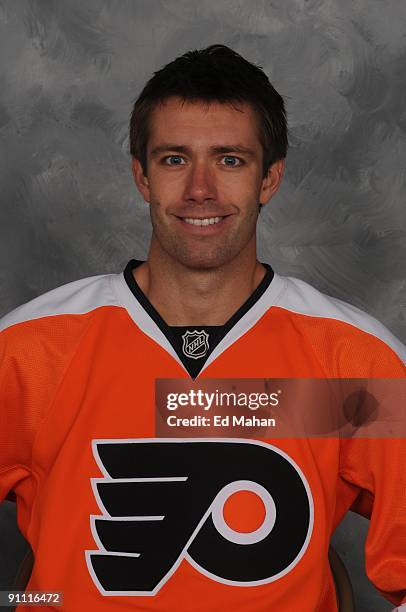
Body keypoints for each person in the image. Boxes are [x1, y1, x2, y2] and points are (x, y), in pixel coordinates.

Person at [0, 44, 405, 612]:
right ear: (142, 176)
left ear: (270, 179)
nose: (200, 190)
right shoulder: (27, 350)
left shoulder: (354, 362)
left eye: (230, 160)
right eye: (173, 159)